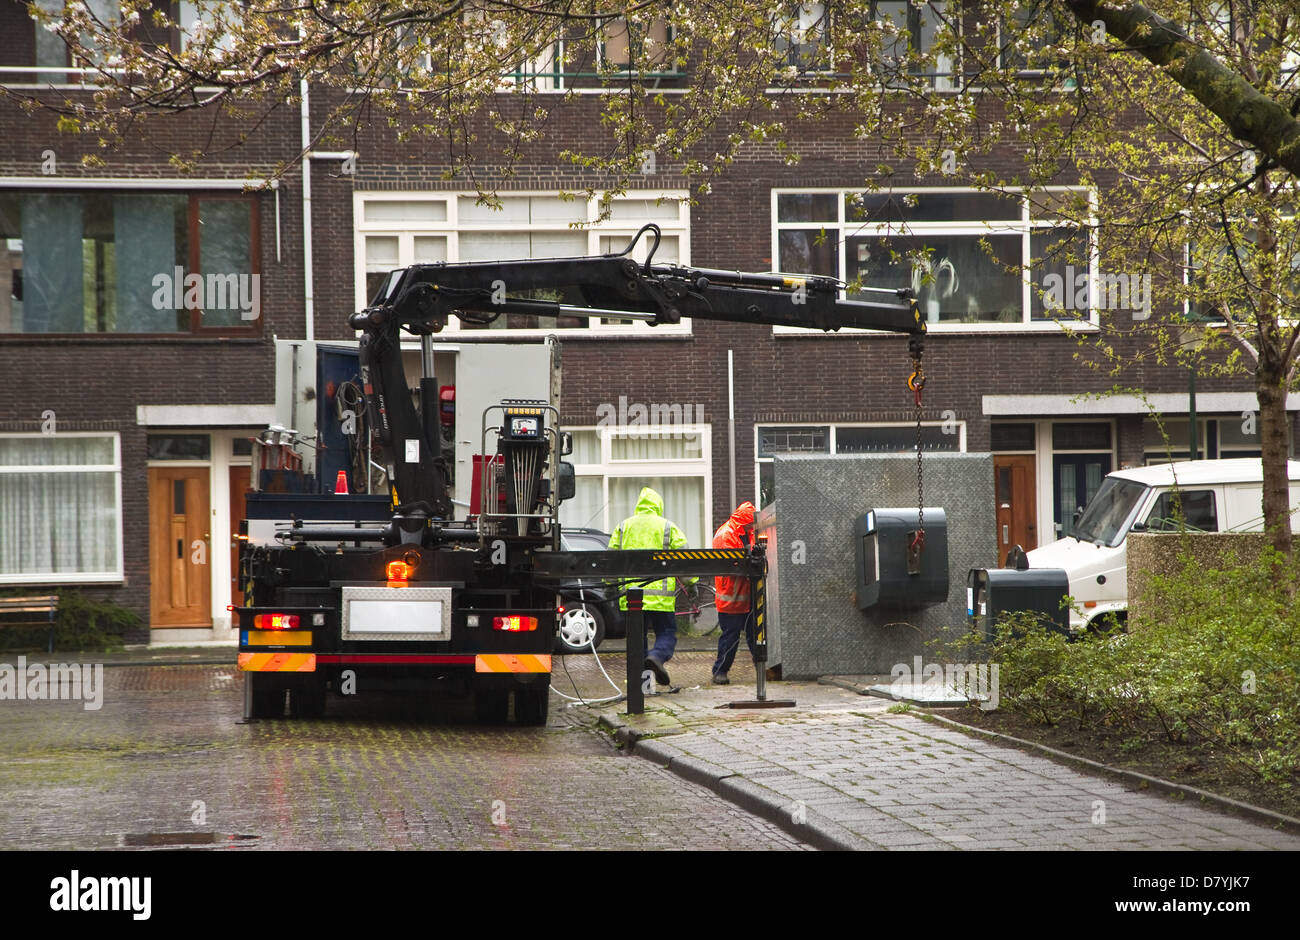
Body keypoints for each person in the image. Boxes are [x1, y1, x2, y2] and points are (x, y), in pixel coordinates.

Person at [608, 486, 692, 687]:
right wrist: (692, 584)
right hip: (660, 598)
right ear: (658, 505)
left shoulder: (623, 527)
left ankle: (644, 687)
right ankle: (657, 656)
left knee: (638, 641)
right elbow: (686, 558)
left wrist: (609, 586)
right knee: (666, 633)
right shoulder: (668, 527)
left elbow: (610, 559)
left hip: (631, 597)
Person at [711, 501, 758, 685]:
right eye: (751, 524)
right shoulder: (726, 535)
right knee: (731, 636)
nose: (752, 527)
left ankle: (765, 668)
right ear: (745, 521)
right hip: (731, 596)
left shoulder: (747, 532)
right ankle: (720, 671)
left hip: (749, 596)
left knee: (756, 634)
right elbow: (732, 564)